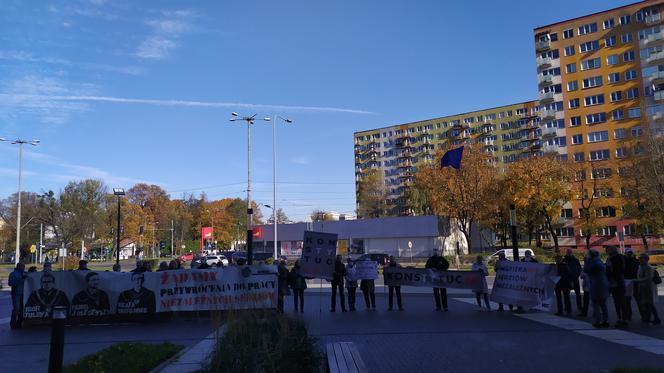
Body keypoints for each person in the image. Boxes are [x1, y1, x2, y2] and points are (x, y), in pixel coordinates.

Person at [584, 249, 609, 328]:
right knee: (603, 303)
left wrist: (586, 261)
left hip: (596, 284)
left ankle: (598, 320)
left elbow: (586, 270)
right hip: (603, 283)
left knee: (595, 303)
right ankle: (605, 320)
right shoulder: (599, 261)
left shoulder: (593, 263)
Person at [606, 246, 628, 327]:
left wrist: (611, 268)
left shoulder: (619, 258)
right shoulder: (609, 259)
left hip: (618, 282)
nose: (606, 252)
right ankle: (619, 318)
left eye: (608, 250)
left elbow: (620, 270)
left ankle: (624, 319)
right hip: (612, 282)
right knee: (616, 301)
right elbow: (607, 270)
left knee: (621, 301)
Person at [635, 253, 661, 324]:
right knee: (647, 303)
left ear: (646, 260)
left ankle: (652, 318)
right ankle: (651, 318)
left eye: (641, 258)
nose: (639, 260)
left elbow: (648, 278)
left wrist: (636, 280)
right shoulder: (641, 266)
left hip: (648, 287)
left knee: (649, 303)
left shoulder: (648, 267)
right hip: (643, 287)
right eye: (639, 258)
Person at [623, 250, 641, 322]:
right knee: (627, 300)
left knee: (638, 299)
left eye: (631, 253)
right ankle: (628, 316)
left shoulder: (636, 261)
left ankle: (643, 315)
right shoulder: (623, 261)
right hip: (626, 281)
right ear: (625, 254)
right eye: (628, 253)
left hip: (635, 281)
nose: (630, 254)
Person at [8, 263, 26, 329]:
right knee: (16, 308)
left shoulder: (24, 273)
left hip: (24, 293)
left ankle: (19, 323)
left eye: (24, 267)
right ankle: (13, 323)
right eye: (22, 267)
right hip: (16, 294)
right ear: (18, 267)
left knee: (22, 309)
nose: (23, 268)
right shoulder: (13, 274)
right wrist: (20, 280)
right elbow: (10, 283)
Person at [578, 252, 591, 317]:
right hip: (586, 285)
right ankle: (584, 312)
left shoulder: (592, 266)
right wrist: (582, 275)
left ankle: (596, 312)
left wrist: (583, 275)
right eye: (584, 260)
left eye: (586, 260)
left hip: (591, 285)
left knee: (593, 300)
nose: (585, 261)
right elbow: (581, 275)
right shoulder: (584, 267)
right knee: (586, 300)